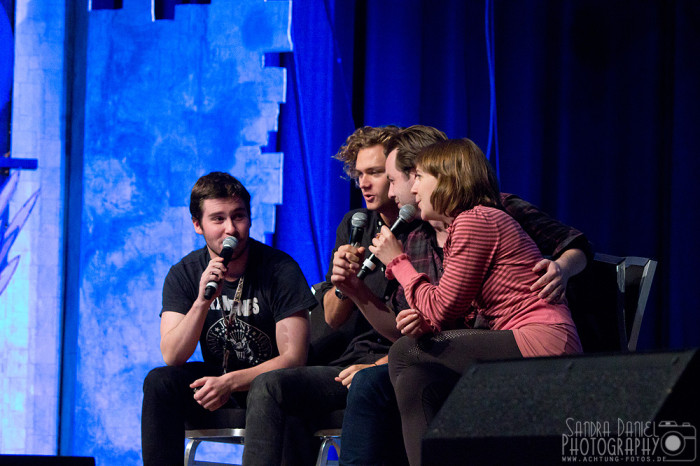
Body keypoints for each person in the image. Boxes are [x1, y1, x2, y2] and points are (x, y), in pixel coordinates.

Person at [338, 126, 591, 466]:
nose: (412, 187)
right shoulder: (462, 226)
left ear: (446, 180)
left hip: (540, 340)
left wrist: (397, 263)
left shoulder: (477, 220)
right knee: (414, 370)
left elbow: (442, 310)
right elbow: (446, 311)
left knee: (404, 353)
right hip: (509, 340)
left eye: (418, 177)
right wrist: (420, 320)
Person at [240, 125, 416, 466]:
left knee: (278, 391)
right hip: (347, 361)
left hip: (391, 363)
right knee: (273, 385)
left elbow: (427, 323)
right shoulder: (356, 223)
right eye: (359, 174)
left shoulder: (421, 230)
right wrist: (342, 281)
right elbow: (334, 318)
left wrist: (376, 364)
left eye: (376, 173)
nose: (364, 183)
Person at [141, 172, 315, 466]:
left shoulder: (280, 269)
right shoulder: (184, 273)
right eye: (218, 219)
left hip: (271, 388)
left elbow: (294, 358)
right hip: (219, 380)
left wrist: (230, 383)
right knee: (160, 382)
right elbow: (173, 354)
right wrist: (202, 302)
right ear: (198, 225)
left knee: (270, 388)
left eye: (239, 216)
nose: (231, 230)